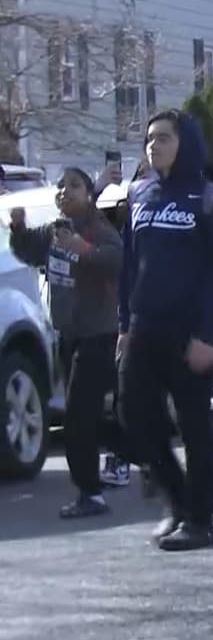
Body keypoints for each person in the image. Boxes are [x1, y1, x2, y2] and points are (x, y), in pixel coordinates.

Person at [118, 109, 213, 551]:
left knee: (194, 426)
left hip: (191, 333)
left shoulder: (210, 198)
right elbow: (131, 265)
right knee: (135, 418)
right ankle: (177, 502)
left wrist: (210, 335)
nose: (154, 145)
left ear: (185, 143)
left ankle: (200, 521)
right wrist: (123, 325)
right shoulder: (140, 194)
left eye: (164, 138)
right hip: (143, 327)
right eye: (150, 138)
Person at [8, 168, 125, 518]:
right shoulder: (55, 230)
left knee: (77, 419)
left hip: (99, 336)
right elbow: (29, 251)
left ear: (89, 194)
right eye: (60, 186)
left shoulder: (99, 228)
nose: (65, 191)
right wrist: (17, 229)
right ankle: (144, 454)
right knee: (97, 418)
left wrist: (83, 249)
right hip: (69, 336)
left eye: (74, 185)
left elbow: (117, 261)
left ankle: (91, 494)